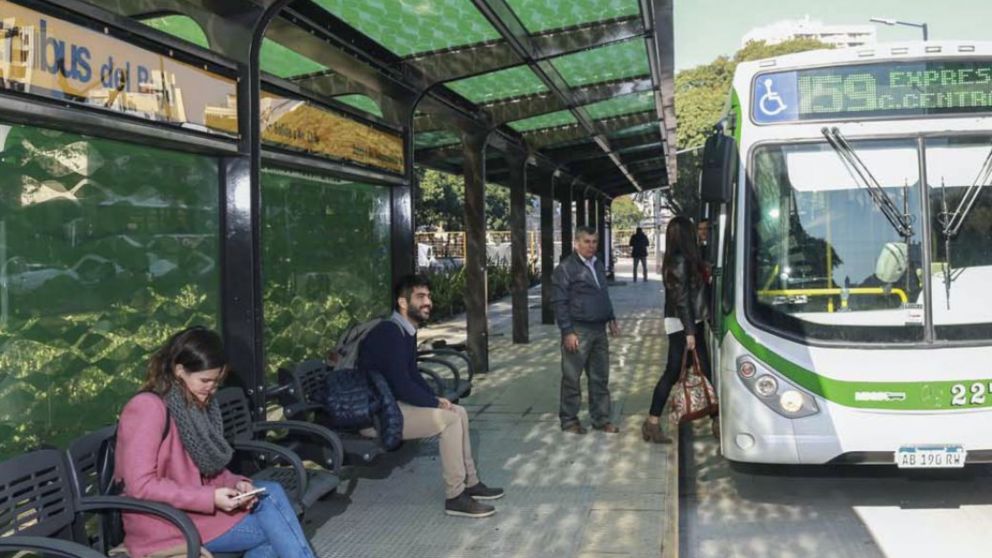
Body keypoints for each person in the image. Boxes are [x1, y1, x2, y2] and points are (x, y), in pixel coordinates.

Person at [116, 326, 315, 558]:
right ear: (179, 370)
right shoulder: (148, 407)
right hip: (166, 524)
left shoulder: (195, 405)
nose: (211, 388)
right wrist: (210, 498)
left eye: (216, 381)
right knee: (278, 522)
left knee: (271, 506)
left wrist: (239, 484)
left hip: (195, 515)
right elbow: (140, 486)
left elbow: (209, 471)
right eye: (205, 380)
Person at [357, 274, 504, 518]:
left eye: (429, 296)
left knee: (459, 412)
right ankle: (455, 496)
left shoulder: (405, 331)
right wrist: (433, 403)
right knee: (449, 421)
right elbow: (402, 383)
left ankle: (471, 482)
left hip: (393, 407)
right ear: (403, 303)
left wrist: (437, 399)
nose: (429, 302)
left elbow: (412, 374)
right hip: (377, 417)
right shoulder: (389, 333)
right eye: (421, 297)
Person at [642, 216, 716, 444]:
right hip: (683, 324)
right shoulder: (679, 261)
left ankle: (716, 420)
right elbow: (682, 299)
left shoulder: (684, 259)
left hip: (689, 322)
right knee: (673, 371)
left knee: (704, 368)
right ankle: (652, 423)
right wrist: (690, 332)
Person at [551, 226, 622, 435]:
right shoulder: (565, 268)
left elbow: (603, 293)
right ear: (576, 243)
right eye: (586, 241)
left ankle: (601, 419)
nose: (591, 246)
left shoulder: (598, 264)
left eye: (594, 242)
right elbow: (559, 302)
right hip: (578, 331)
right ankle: (569, 420)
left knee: (600, 377)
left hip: (599, 329)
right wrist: (567, 331)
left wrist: (611, 318)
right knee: (572, 378)